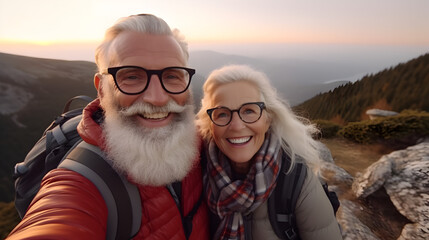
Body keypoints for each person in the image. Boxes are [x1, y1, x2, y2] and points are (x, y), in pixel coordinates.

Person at [7, 14, 209, 239]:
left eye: (172, 76)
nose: (157, 97)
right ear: (102, 89)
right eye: (132, 76)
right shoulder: (86, 177)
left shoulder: (207, 143)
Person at [195, 65, 342, 240]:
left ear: (268, 119)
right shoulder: (195, 171)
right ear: (210, 125)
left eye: (249, 110)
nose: (236, 126)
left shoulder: (297, 182)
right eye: (222, 114)